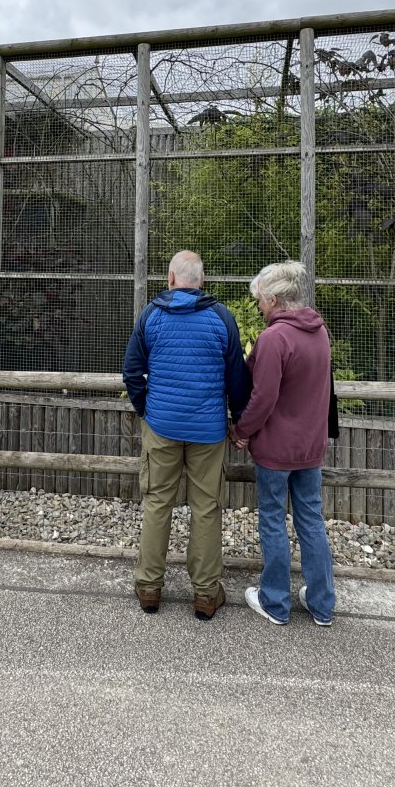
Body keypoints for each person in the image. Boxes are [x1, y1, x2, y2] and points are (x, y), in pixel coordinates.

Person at [123, 250, 250, 619]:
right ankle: (206, 594)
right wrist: (238, 421)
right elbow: (237, 381)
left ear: (171, 278)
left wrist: (147, 409)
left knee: (157, 503)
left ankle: (149, 587)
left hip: (161, 427)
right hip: (207, 431)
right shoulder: (221, 318)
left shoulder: (151, 315)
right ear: (202, 280)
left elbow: (132, 371)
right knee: (206, 508)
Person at [231, 260, 336, 627]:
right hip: (310, 447)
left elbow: (262, 398)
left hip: (276, 449)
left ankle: (275, 601)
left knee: (273, 520)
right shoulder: (319, 332)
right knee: (311, 519)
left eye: (260, 299)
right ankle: (322, 604)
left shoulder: (274, 339)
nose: (258, 306)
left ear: (273, 299)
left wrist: (242, 430)